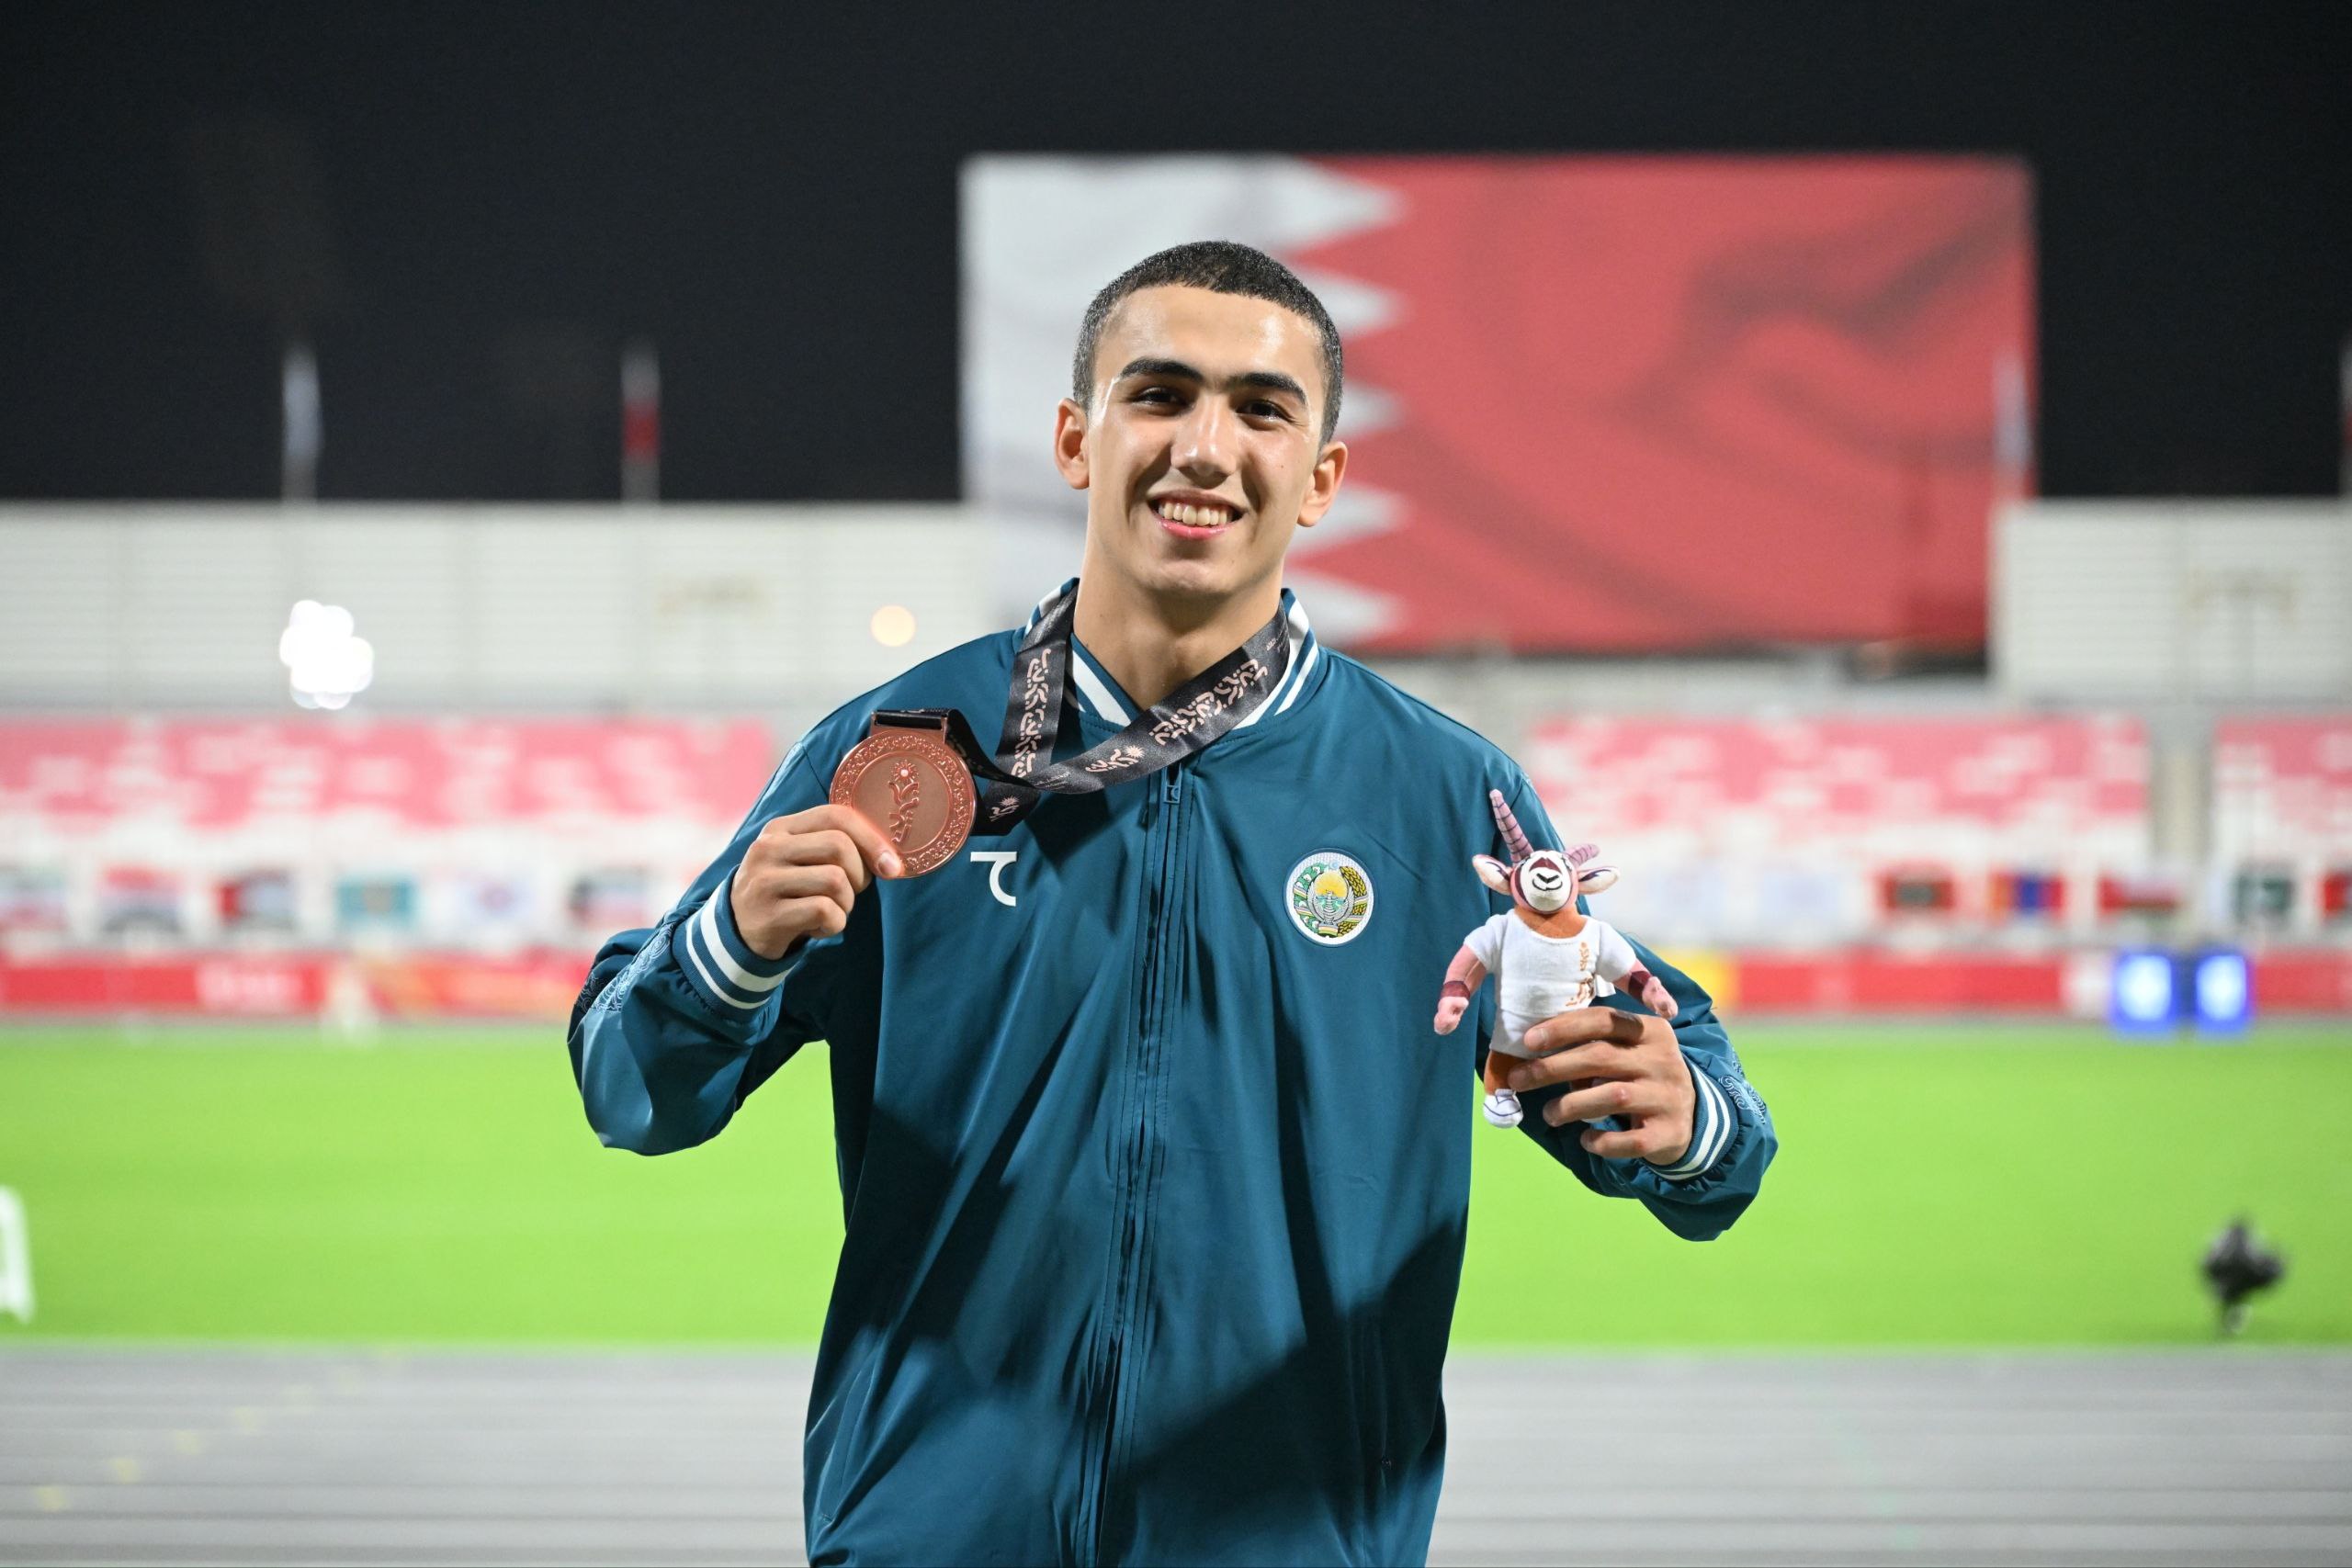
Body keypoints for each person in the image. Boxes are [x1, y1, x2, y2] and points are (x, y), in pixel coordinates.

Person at [568, 240, 1776, 1566]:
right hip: (939, 1533)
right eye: (1159, 395)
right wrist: (729, 947)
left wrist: (1683, 1119)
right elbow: (632, 1093)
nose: (1206, 447)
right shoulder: (904, 754)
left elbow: (1699, 1141)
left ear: (1321, 479)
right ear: (1076, 440)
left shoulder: (1441, 799)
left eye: (1261, 411)